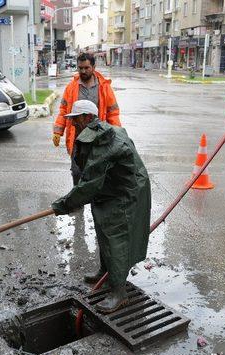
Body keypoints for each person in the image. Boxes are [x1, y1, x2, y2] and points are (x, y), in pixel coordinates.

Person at [51, 100, 151, 314]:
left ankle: (119, 292)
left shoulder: (105, 140)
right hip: (111, 189)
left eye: (76, 119)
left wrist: (63, 205)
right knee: (103, 230)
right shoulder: (100, 132)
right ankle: (105, 272)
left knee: (116, 238)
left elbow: (89, 184)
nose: (73, 124)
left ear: (88, 117)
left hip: (125, 192)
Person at [53, 52, 121, 186]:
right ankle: (78, 204)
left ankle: (97, 204)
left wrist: (117, 134)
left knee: (98, 174)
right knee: (77, 172)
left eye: (86, 68)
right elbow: (63, 111)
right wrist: (58, 131)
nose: (83, 71)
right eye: (80, 68)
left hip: (97, 139)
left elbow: (113, 113)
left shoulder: (104, 87)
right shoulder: (71, 87)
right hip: (77, 138)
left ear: (93, 67)